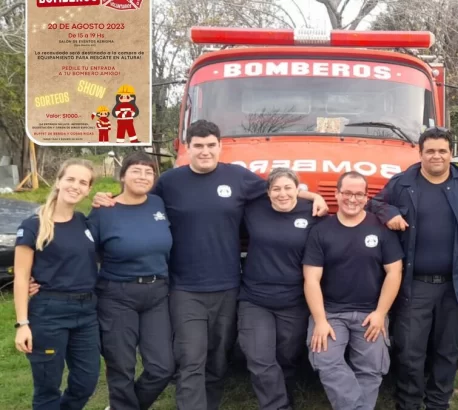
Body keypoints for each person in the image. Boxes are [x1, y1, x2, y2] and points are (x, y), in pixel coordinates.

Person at [92, 119, 329, 410]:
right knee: (191, 359)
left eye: (210, 145)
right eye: (198, 146)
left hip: (229, 286)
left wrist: (314, 194)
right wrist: (107, 199)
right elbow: (135, 202)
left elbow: (278, 190)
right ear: (187, 148)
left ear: (220, 147)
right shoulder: (169, 182)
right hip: (184, 288)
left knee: (218, 360)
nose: (205, 151)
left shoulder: (238, 178)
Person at [366, 126, 458, 410]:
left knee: (449, 349)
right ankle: (408, 402)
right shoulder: (401, 183)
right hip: (414, 284)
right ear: (419, 153)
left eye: (442, 151)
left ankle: (438, 402)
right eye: (430, 151)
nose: (436, 156)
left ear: (451, 153)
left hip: (456, 285)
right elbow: (374, 204)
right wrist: (390, 212)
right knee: (409, 350)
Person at [302, 171, 404, 410]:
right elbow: (311, 278)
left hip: (370, 313)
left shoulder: (380, 228)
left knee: (372, 368)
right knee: (325, 359)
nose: (352, 199)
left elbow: (394, 272)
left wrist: (380, 314)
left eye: (358, 194)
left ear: (366, 197)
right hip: (331, 314)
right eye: (347, 193)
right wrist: (320, 320)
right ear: (337, 194)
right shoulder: (321, 230)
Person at [85, 151, 175, 410]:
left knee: (162, 367)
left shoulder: (158, 204)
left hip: (157, 294)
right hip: (117, 295)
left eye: (149, 172)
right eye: (136, 170)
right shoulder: (104, 210)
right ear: (122, 176)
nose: (143, 176)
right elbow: (83, 253)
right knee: (121, 366)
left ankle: (123, 406)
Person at [13, 159, 100, 410]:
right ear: (59, 182)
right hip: (49, 313)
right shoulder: (34, 225)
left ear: (88, 189)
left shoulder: (84, 222)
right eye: (71, 179)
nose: (76, 186)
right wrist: (22, 323)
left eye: (83, 182)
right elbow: (21, 277)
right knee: (48, 388)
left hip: (86, 313)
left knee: (86, 381)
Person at [237, 167, 325, 410]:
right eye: (276, 188)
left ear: (298, 189)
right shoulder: (254, 209)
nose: (282, 194)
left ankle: (284, 398)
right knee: (259, 357)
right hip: (255, 299)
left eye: (288, 188)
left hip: (294, 300)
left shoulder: (313, 213)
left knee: (286, 358)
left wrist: (315, 197)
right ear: (268, 192)